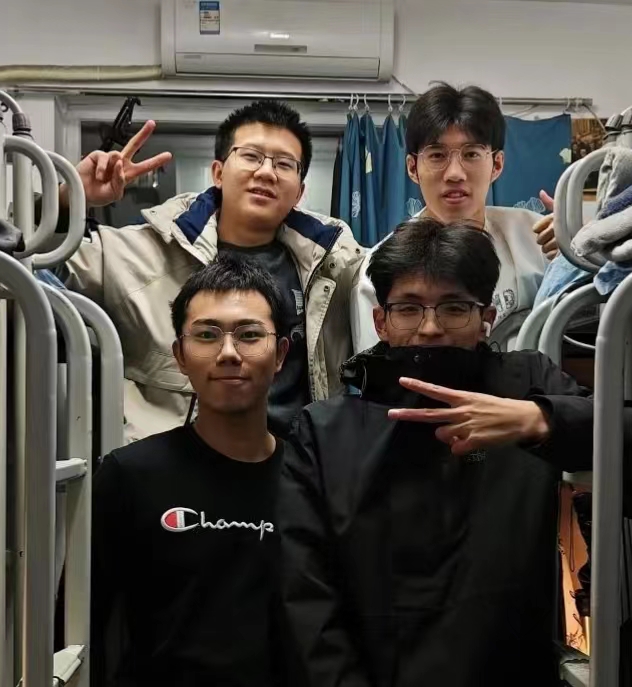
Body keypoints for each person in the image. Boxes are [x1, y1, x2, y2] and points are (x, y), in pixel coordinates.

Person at [280, 218, 632, 687]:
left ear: (487, 318)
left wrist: (540, 419)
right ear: (381, 321)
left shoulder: (527, 385)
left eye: (454, 307)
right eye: (409, 308)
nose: (430, 327)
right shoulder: (324, 431)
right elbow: (306, 595)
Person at [62, 101, 365, 442]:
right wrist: (66, 201)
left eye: (284, 164)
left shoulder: (334, 265)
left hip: (296, 462)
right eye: (251, 156)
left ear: (299, 192)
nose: (266, 172)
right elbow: (34, 275)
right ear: (218, 173)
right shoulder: (139, 253)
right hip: (179, 463)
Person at [91, 253, 296, 686]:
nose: (228, 353)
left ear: (280, 354)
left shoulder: (310, 478)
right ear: (180, 355)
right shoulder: (129, 475)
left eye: (249, 335)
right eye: (206, 335)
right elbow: (80, 621)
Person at [350, 83, 561, 353]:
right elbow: (374, 367)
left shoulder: (537, 235)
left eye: (471, 154)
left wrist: (578, 253)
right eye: (437, 155)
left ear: (497, 164)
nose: (454, 174)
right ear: (412, 168)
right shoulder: (382, 268)